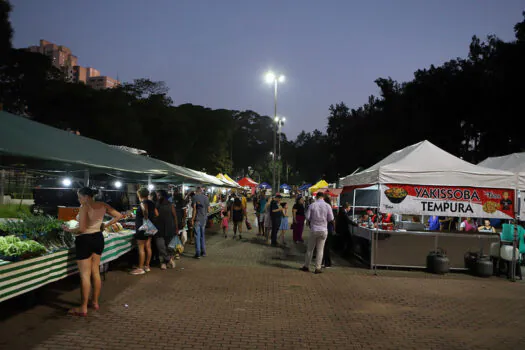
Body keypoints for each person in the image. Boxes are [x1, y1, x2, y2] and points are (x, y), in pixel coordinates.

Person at [63, 187, 123, 316]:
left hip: (85, 240)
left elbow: (82, 229)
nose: (79, 200)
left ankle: (83, 307)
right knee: (95, 271)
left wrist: (68, 230)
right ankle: (95, 302)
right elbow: (119, 215)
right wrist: (104, 225)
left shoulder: (84, 207)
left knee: (85, 275)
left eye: (79, 197)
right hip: (98, 238)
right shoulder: (102, 205)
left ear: (86, 197)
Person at [300, 192, 334, 274]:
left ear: (317, 197)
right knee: (320, 250)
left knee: (310, 249)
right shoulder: (328, 206)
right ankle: (317, 268)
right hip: (323, 230)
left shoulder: (312, 205)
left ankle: (306, 266)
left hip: (314, 229)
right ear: (323, 197)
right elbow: (331, 219)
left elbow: (307, 217)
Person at [130, 187, 157, 275]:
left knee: (141, 248)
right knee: (148, 247)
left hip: (143, 228)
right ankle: (147, 266)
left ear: (139, 195)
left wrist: (145, 220)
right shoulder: (152, 203)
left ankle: (140, 268)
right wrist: (150, 221)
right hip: (150, 227)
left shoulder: (143, 202)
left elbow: (145, 212)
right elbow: (157, 214)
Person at [155, 190, 178, 270]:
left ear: (163, 196)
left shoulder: (171, 205)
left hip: (169, 228)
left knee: (169, 247)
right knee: (160, 246)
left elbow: (175, 217)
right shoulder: (157, 204)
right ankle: (169, 259)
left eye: (158, 195)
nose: (157, 197)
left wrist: (176, 228)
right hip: (159, 228)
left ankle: (164, 262)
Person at [191, 187, 210, 259]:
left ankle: (198, 253)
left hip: (197, 219)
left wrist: (192, 219)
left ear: (196, 191)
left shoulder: (195, 197)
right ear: (201, 191)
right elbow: (208, 210)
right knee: (202, 235)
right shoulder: (206, 197)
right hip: (204, 219)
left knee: (197, 236)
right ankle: (204, 252)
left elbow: (194, 210)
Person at [322, 194, 336, 268]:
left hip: (326, 229)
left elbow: (332, 220)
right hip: (328, 229)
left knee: (325, 247)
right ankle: (325, 262)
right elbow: (332, 220)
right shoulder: (329, 208)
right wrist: (334, 229)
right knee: (325, 246)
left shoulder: (326, 208)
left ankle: (326, 262)